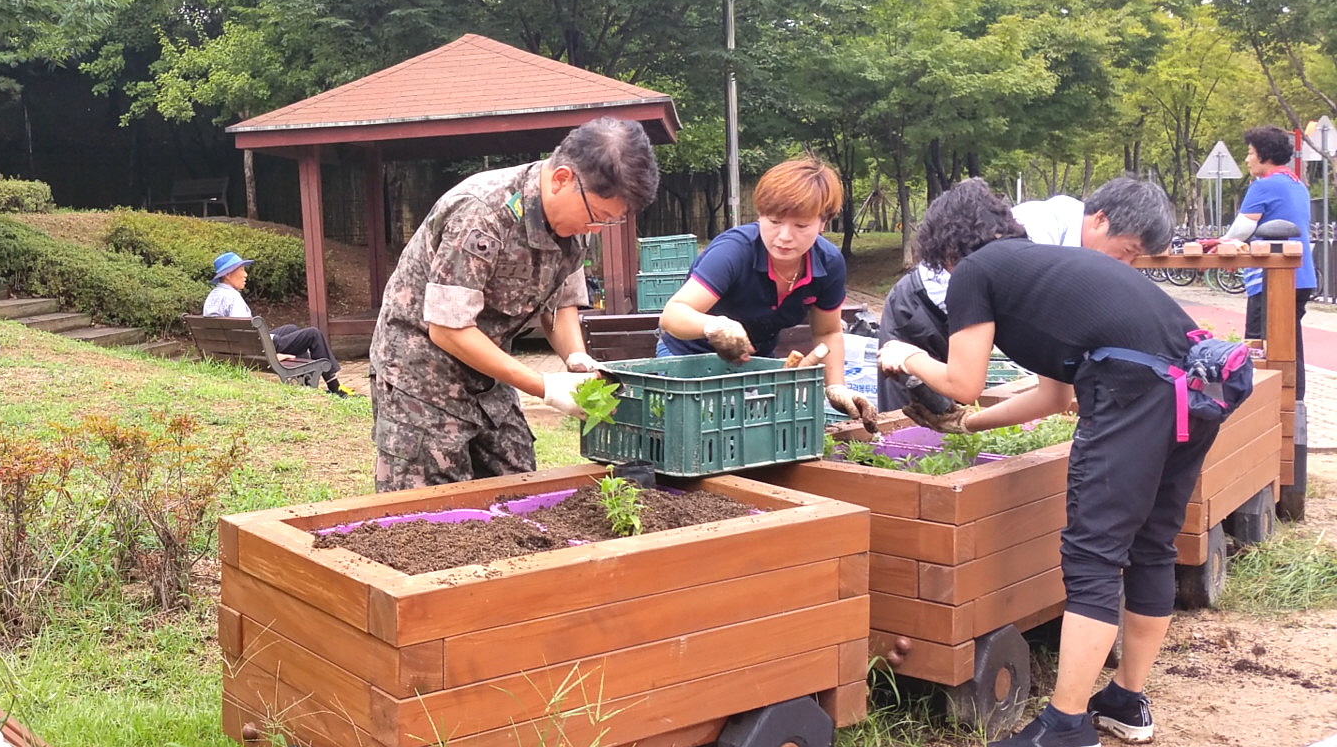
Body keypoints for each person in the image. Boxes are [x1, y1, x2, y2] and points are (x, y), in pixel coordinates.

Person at [877, 178, 1219, 747]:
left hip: (1138, 392)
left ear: (943, 242)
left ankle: (1067, 726)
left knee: (1092, 553)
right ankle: (1126, 703)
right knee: (1152, 546)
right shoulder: (1042, 268)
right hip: (1201, 389)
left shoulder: (974, 272)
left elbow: (964, 382)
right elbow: (1054, 397)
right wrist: (968, 428)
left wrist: (904, 355)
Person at [367, 116, 660, 491]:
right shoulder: (482, 213)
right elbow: (447, 329)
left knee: (518, 484)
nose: (595, 229)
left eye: (608, 222)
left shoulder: (573, 224)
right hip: (419, 373)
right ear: (562, 179)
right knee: (430, 511)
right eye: (597, 217)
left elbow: (560, 304)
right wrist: (546, 388)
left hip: (488, 374)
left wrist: (575, 360)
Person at [875, 176, 1174, 412]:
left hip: (970, 319)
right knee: (905, 422)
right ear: (1100, 220)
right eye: (1127, 252)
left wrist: (970, 421)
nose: (1125, 266)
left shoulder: (1071, 267)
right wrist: (910, 355)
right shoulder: (1032, 235)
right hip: (920, 311)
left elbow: (1051, 390)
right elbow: (972, 381)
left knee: (949, 414)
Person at [655, 157, 876, 428]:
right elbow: (673, 314)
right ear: (760, 214)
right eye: (774, 221)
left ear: (823, 222)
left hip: (756, 363)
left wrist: (836, 387)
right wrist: (715, 325)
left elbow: (828, 331)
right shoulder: (734, 251)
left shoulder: (829, 264)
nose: (784, 236)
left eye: (801, 226)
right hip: (688, 357)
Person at [1221, 126, 1313, 380]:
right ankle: (1295, 405)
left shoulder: (1264, 186)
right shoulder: (1297, 185)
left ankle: (1266, 408)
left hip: (1272, 279)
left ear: (1264, 155)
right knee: (1291, 347)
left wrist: (1220, 244)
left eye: (1250, 153)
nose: (1247, 159)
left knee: (1261, 348)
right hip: (1301, 276)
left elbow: (1240, 231)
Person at [203, 251, 350, 397]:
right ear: (227, 275)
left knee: (291, 329)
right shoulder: (233, 298)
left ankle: (306, 383)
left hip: (235, 349)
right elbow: (246, 337)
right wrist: (271, 356)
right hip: (256, 349)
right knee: (313, 334)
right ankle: (335, 387)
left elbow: (241, 335)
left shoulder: (214, 296)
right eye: (241, 270)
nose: (245, 274)